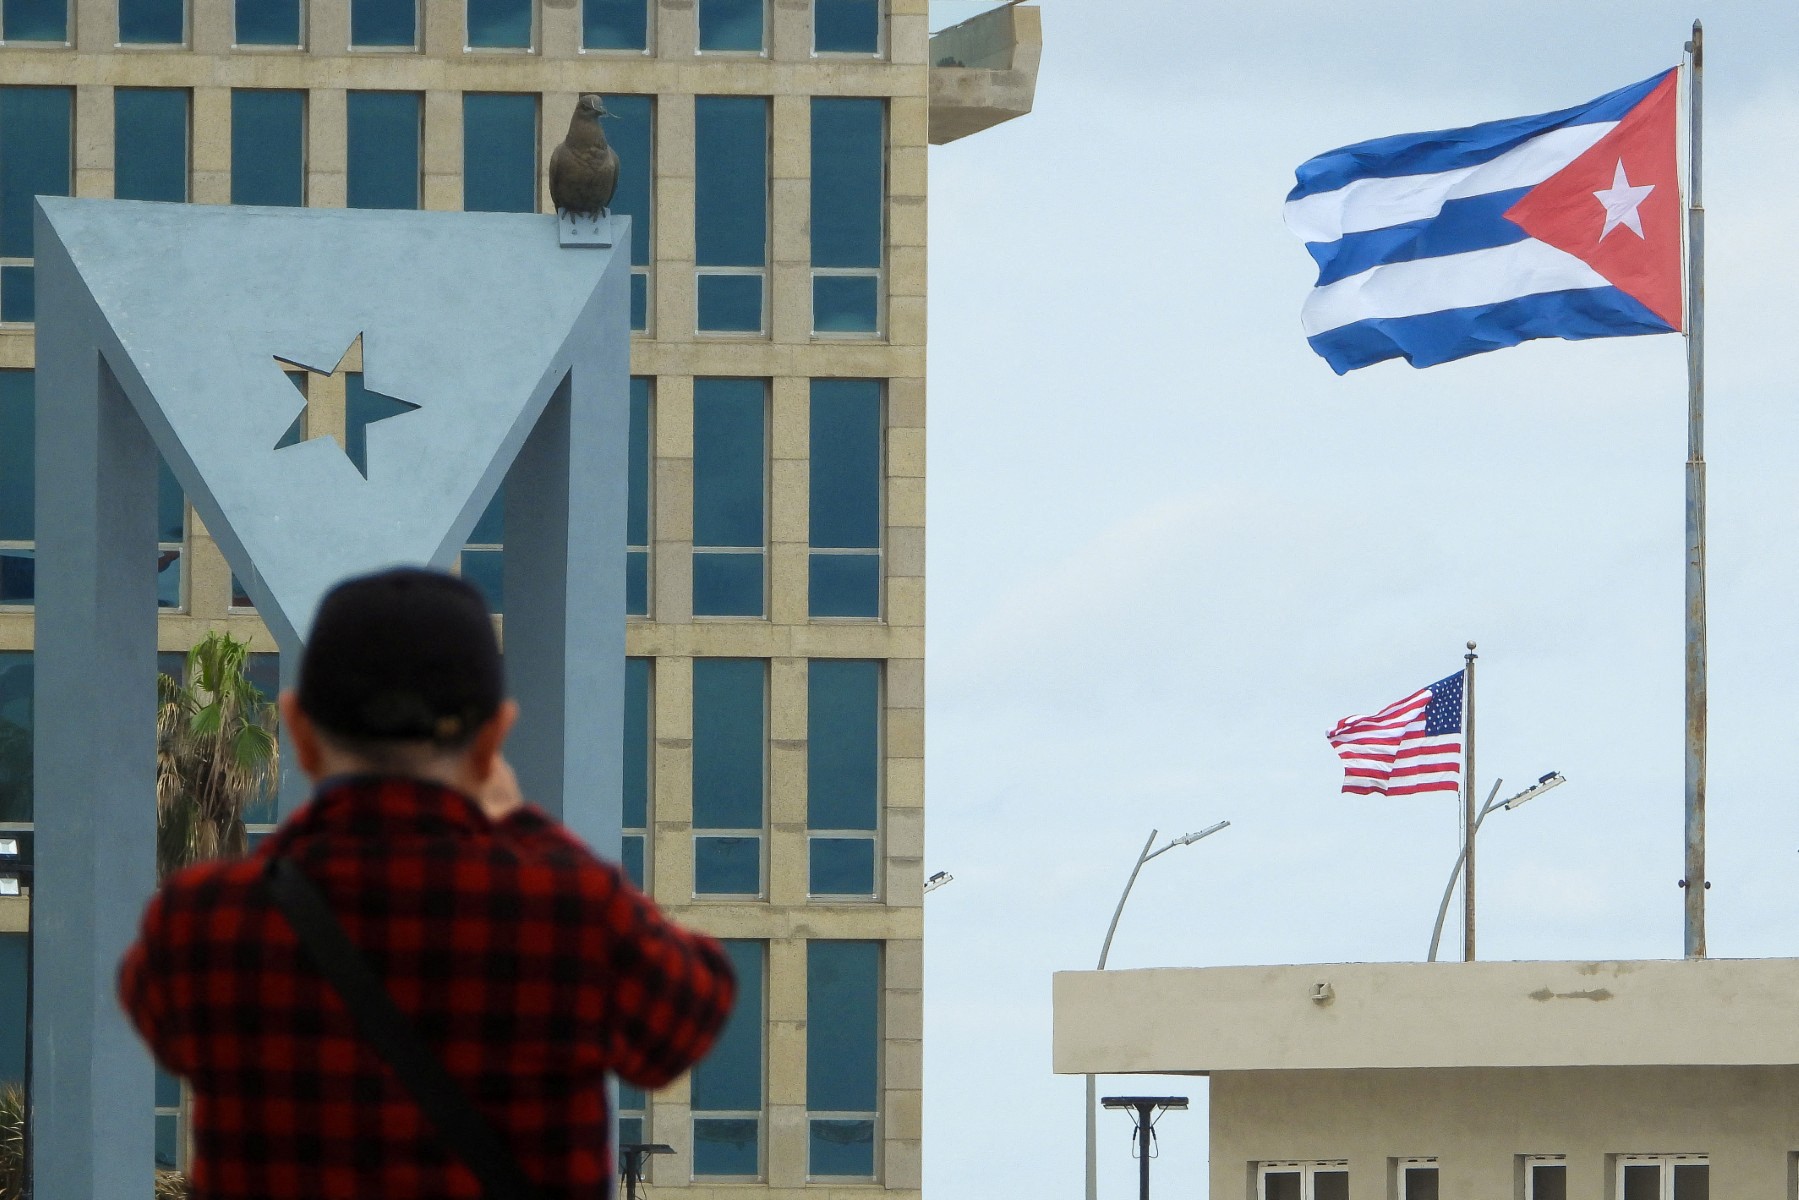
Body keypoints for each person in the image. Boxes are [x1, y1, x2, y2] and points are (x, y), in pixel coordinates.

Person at [120, 567, 735, 1199]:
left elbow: (163, 1027)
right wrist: (525, 825)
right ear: (493, 735)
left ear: (298, 730)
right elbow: (690, 1015)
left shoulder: (202, 923)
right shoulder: (571, 911)